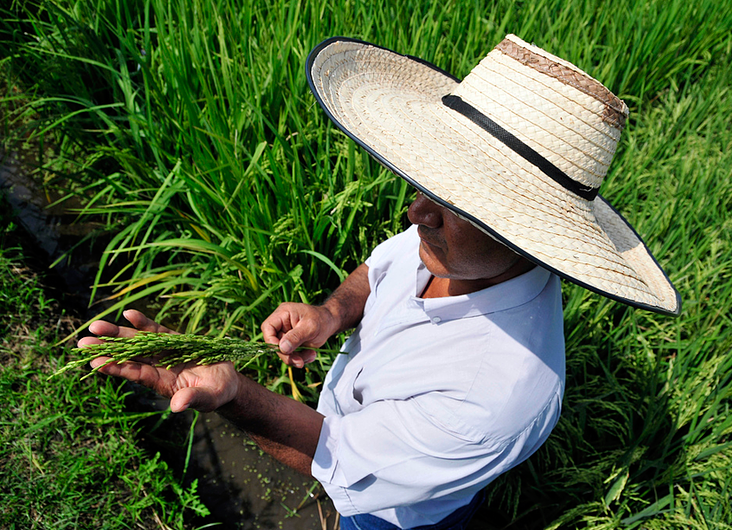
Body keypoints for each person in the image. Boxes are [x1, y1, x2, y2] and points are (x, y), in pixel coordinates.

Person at [80, 34, 681, 529]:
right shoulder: (451, 245)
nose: (416, 211)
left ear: (525, 236)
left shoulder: (497, 395)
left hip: (398, 514)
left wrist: (235, 395)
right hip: (368, 440)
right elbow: (382, 266)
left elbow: (339, 453)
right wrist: (332, 312)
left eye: (453, 201)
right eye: (427, 182)